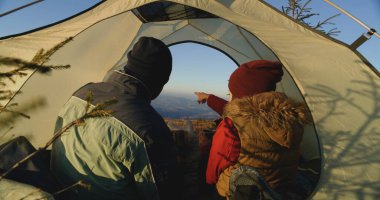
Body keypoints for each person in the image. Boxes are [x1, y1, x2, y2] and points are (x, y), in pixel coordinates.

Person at [51, 37, 180, 200]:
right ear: (159, 81)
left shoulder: (83, 92)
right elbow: (163, 193)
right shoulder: (150, 127)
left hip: (58, 192)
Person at [195, 60, 311, 199]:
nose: (229, 96)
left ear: (242, 95)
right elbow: (243, 117)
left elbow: (212, 173)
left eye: (230, 92)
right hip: (277, 192)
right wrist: (209, 98)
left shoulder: (232, 125)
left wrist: (205, 186)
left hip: (235, 193)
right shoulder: (291, 119)